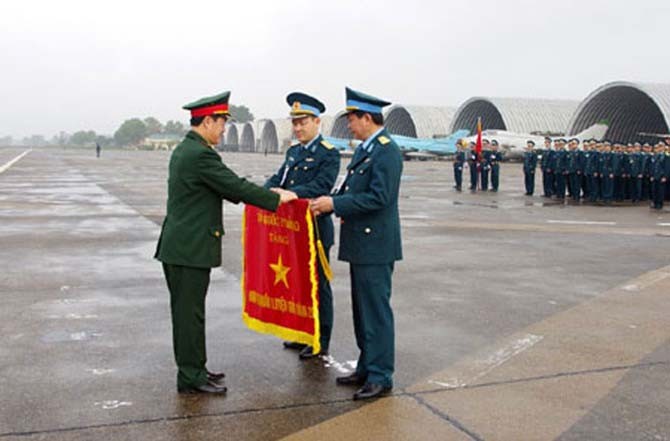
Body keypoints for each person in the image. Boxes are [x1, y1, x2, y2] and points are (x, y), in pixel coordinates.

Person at [154, 91, 296, 395]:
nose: (223, 130)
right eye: (221, 123)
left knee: (190, 313)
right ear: (207, 121)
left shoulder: (188, 150)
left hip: (183, 247)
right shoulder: (199, 154)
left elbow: (225, 188)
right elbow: (233, 185)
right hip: (188, 249)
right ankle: (190, 376)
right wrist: (276, 198)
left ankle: (195, 368)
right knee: (188, 315)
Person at [310, 87, 402, 401]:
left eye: (352, 119)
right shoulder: (367, 149)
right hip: (362, 245)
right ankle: (366, 366)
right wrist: (334, 201)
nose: (349, 125)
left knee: (376, 312)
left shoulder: (387, 151)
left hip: (375, 245)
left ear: (367, 118)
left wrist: (336, 205)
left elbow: (379, 197)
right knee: (363, 312)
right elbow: (352, 190)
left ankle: (381, 376)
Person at [265, 92, 341, 360]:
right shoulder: (294, 151)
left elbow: (322, 186)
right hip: (292, 230)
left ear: (317, 122)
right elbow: (278, 178)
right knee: (297, 284)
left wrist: (291, 194)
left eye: (303, 122)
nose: (298, 128)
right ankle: (303, 332)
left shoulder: (328, 153)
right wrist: (264, 193)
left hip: (316, 230)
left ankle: (321, 339)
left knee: (318, 285)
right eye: (295, 123)